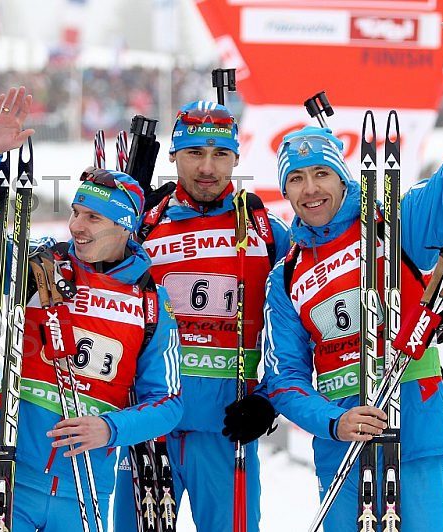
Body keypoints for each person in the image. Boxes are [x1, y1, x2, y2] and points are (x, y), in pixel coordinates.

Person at [254, 20, 443, 532]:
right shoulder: (287, 276)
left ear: (343, 178)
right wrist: (332, 421)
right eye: (295, 179)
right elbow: (282, 379)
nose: (309, 190)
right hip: (342, 451)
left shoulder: (400, 224)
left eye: (321, 173)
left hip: (414, 434)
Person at [0, 86, 183, 532]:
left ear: (124, 227)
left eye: (93, 218)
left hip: (85, 490)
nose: (76, 226)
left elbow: (168, 403)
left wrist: (110, 429)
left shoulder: (150, 303)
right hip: (9, 477)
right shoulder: (41, 267)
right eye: (76, 211)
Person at [113, 100, 290, 532]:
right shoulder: (141, 224)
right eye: (194, 153)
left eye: (220, 154)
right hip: (148, 427)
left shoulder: (265, 229)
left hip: (226, 428)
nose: (207, 167)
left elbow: (301, 321)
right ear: (173, 156)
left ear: (236, 156)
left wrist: (268, 398)